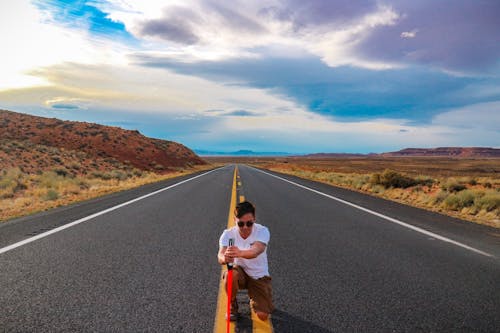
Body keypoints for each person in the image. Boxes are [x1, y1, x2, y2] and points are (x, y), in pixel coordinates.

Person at [218, 200, 274, 321]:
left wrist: (239, 253)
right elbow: (220, 255)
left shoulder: (262, 231)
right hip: (240, 273)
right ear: (235, 220)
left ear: (254, 219)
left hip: (258, 276)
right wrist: (225, 258)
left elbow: (256, 251)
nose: (245, 227)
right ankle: (232, 304)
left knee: (263, 316)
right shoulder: (228, 234)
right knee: (230, 274)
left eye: (249, 223)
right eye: (240, 224)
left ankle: (256, 297)